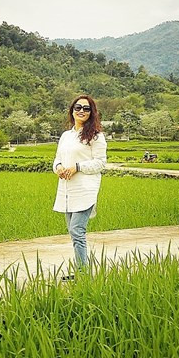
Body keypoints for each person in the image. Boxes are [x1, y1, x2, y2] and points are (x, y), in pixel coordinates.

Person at [52, 95, 107, 280]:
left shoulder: (96, 136)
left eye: (86, 108)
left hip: (85, 190)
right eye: (78, 107)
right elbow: (57, 159)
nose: (81, 111)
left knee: (77, 230)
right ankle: (80, 271)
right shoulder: (66, 136)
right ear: (72, 110)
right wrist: (59, 168)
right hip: (68, 190)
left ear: (92, 112)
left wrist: (77, 167)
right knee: (73, 232)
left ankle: (83, 275)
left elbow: (100, 163)